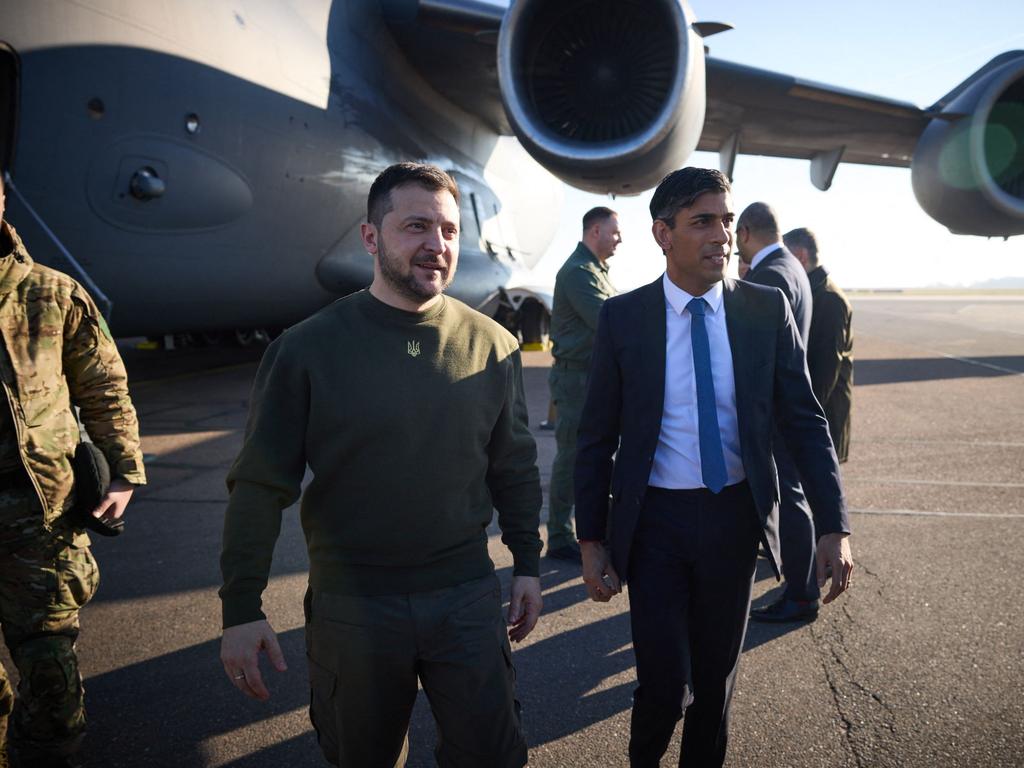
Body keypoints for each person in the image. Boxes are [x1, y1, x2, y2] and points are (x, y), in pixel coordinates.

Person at [218, 162, 543, 768]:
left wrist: (527, 563)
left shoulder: (493, 345)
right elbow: (260, 486)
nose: (436, 245)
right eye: (416, 226)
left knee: (493, 757)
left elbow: (514, 467)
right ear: (371, 237)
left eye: (448, 229)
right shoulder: (307, 349)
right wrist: (242, 608)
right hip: (355, 605)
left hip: (467, 597)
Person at [574, 167, 853, 768]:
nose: (721, 235)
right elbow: (594, 438)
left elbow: (806, 421)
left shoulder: (763, 309)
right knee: (664, 687)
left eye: (726, 221)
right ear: (663, 234)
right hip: (655, 527)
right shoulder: (624, 319)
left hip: (734, 520)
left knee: (715, 689)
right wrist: (591, 538)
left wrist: (835, 526)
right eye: (702, 221)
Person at [0, 171, 146, 768]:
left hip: (39, 514)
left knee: (51, 674)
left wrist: (124, 472)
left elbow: (104, 387)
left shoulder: (52, 294)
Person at [737, 202, 821, 623]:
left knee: (787, 499)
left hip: (772, 409)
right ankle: (799, 587)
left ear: (747, 231)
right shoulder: (794, 268)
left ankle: (802, 593)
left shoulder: (769, 276)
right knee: (792, 495)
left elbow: (751, 356)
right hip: (785, 403)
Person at [546, 206, 621, 563]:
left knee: (598, 454)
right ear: (595, 231)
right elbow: (607, 318)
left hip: (591, 375)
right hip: (575, 377)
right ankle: (559, 536)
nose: (619, 238)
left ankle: (597, 528)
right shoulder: (579, 272)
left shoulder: (596, 270)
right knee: (572, 456)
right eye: (614, 231)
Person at [784, 228, 853, 462]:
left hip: (821, 421)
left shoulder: (828, 298)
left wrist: (803, 420)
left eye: (787, 258)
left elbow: (825, 371)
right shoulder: (812, 292)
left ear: (801, 256)